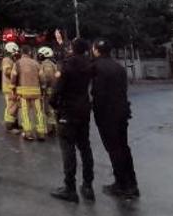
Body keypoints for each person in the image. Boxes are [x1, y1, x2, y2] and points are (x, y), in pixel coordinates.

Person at [91, 39, 139, 198]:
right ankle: (132, 183)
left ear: (97, 50)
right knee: (124, 147)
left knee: (114, 149)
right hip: (122, 111)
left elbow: (98, 93)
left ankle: (122, 185)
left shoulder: (96, 67)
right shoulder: (118, 67)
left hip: (107, 114)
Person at [50, 38, 94, 203]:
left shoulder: (67, 65)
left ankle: (70, 188)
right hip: (83, 110)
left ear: (72, 49)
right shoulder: (89, 65)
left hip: (67, 111)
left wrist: (53, 103)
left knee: (68, 149)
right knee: (85, 147)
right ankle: (88, 185)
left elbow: (58, 88)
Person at [12, 47, 46, 141]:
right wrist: (43, 88)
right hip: (36, 92)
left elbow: (14, 76)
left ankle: (28, 133)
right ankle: (41, 133)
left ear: (22, 53)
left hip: (23, 93)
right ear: (30, 52)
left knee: (25, 113)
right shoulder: (36, 63)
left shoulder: (17, 63)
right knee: (38, 112)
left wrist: (13, 89)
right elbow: (42, 77)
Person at [37, 46, 59, 135]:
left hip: (49, 90)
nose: (39, 56)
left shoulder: (47, 64)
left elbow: (48, 77)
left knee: (48, 109)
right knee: (50, 110)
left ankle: (52, 129)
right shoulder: (51, 63)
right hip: (52, 89)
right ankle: (52, 127)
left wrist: (43, 87)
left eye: (40, 54)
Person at [1, 41, 20, 133]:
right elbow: (7, 71)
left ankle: (14, 123)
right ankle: (9, 126)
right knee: (11, 106)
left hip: (11, 87)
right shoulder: (7, 60)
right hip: (9, 87)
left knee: (14, 106)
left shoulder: (11, 60)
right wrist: (16, 73)